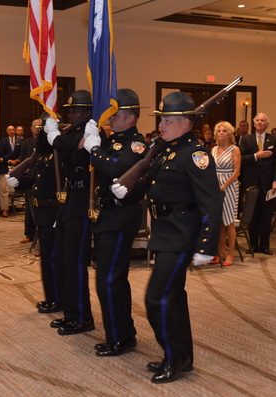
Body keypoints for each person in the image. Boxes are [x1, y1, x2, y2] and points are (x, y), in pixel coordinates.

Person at [111, 91, 221, 383]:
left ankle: (174, 357)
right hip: (163, 233)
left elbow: (211, 201)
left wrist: (207, 245)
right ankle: (181, 357)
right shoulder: (165, 150)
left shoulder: (195, 155)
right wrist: (126, 191)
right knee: (173, 297)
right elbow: (146, 183)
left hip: (182, 236)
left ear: (186, 122)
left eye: (168, 120)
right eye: (161, 119)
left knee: (156, 298)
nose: (162, 125)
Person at [81, 89, 147, 357]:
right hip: (107, 216)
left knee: (110, 279)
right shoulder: (113, 140)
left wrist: (95, 149)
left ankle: (120, 337)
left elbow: (119, 169)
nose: (110, 120)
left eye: (115, 115)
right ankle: (121, 333)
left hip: (121, 217)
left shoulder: (136, 144)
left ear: (130, 117)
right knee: (108, 278)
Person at [45, 90, 95, 336]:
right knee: (64, 261)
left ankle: (83, 317)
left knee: (75, 263)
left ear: (87, 113)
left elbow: (66, 144)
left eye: (75, 111)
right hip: (68, 202)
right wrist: (53, 133)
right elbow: (58, 144)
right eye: (68, 110)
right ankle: (71, 313)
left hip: (82, 202)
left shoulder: (92, 133)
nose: (70, 114)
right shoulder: (71, 133)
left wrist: (54, 136)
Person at [7, 113, 62, 314]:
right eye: (39, 129)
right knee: (47, 259)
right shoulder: (42, 154)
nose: (40, 132)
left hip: (55, 211)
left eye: (44, 129)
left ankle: (58, 298)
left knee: (55, 259)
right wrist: (19, 181)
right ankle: (51, 297)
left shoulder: (59, 154)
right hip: (42, 212)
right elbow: (33, 177)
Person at [239, 112, 276, 255]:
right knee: (252, 215)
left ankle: (264, 246)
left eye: (262, 120)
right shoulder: (247, 139)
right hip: (250, 183)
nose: (259, 122)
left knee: (265, 215)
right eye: (257, 120)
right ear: (254, 124)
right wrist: (255, 156)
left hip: (268, 184)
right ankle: (252, 245)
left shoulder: (275, 139)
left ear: (267, 124)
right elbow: (240, 158)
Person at [212, 121, 241, 266]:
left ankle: (231, 254)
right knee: (220, 222)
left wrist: (224, 185)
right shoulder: (213, 149)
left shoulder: (235, 149)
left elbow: (237, 172)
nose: (221, 133)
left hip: (229, 186)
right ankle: (221, 252)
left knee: (229, 221)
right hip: (216, 186)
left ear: (230, 134)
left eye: (224, 131)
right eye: (219, 131)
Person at [18, 119, 40, 244]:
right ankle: (30, 233)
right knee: (29, 208)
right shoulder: (26, 143)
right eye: (34, 127)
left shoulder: (46, 142)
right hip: (30, 178)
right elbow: (22, 160)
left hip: (41, 178)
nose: (37, 129)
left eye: (39, 126)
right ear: (31, 129)